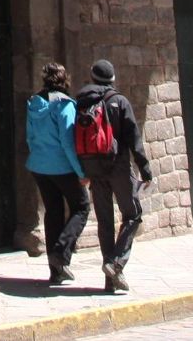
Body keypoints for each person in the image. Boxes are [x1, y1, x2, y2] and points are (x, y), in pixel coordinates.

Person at [72, 59, 152, 294]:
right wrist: (145, 169)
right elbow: (133, 139)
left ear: (93, 77)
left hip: (94, 168)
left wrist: (82, 169)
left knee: (104, 222)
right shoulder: (120, 101)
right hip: (118, 166)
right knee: (133, 214)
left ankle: (110, 281)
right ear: (113, 78)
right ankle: (116, 263)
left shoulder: (82, 102)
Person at [25, 62, 90, 286]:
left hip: (39, 166)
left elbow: (29, 136)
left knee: (52, 211)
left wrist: (38, 157)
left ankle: (55, 271)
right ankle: (61, 254)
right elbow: (68, 142)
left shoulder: (35, 102)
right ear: (64, 80)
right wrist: (81, 171)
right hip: (62, 167)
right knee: (81, 206)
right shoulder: (63, 104)